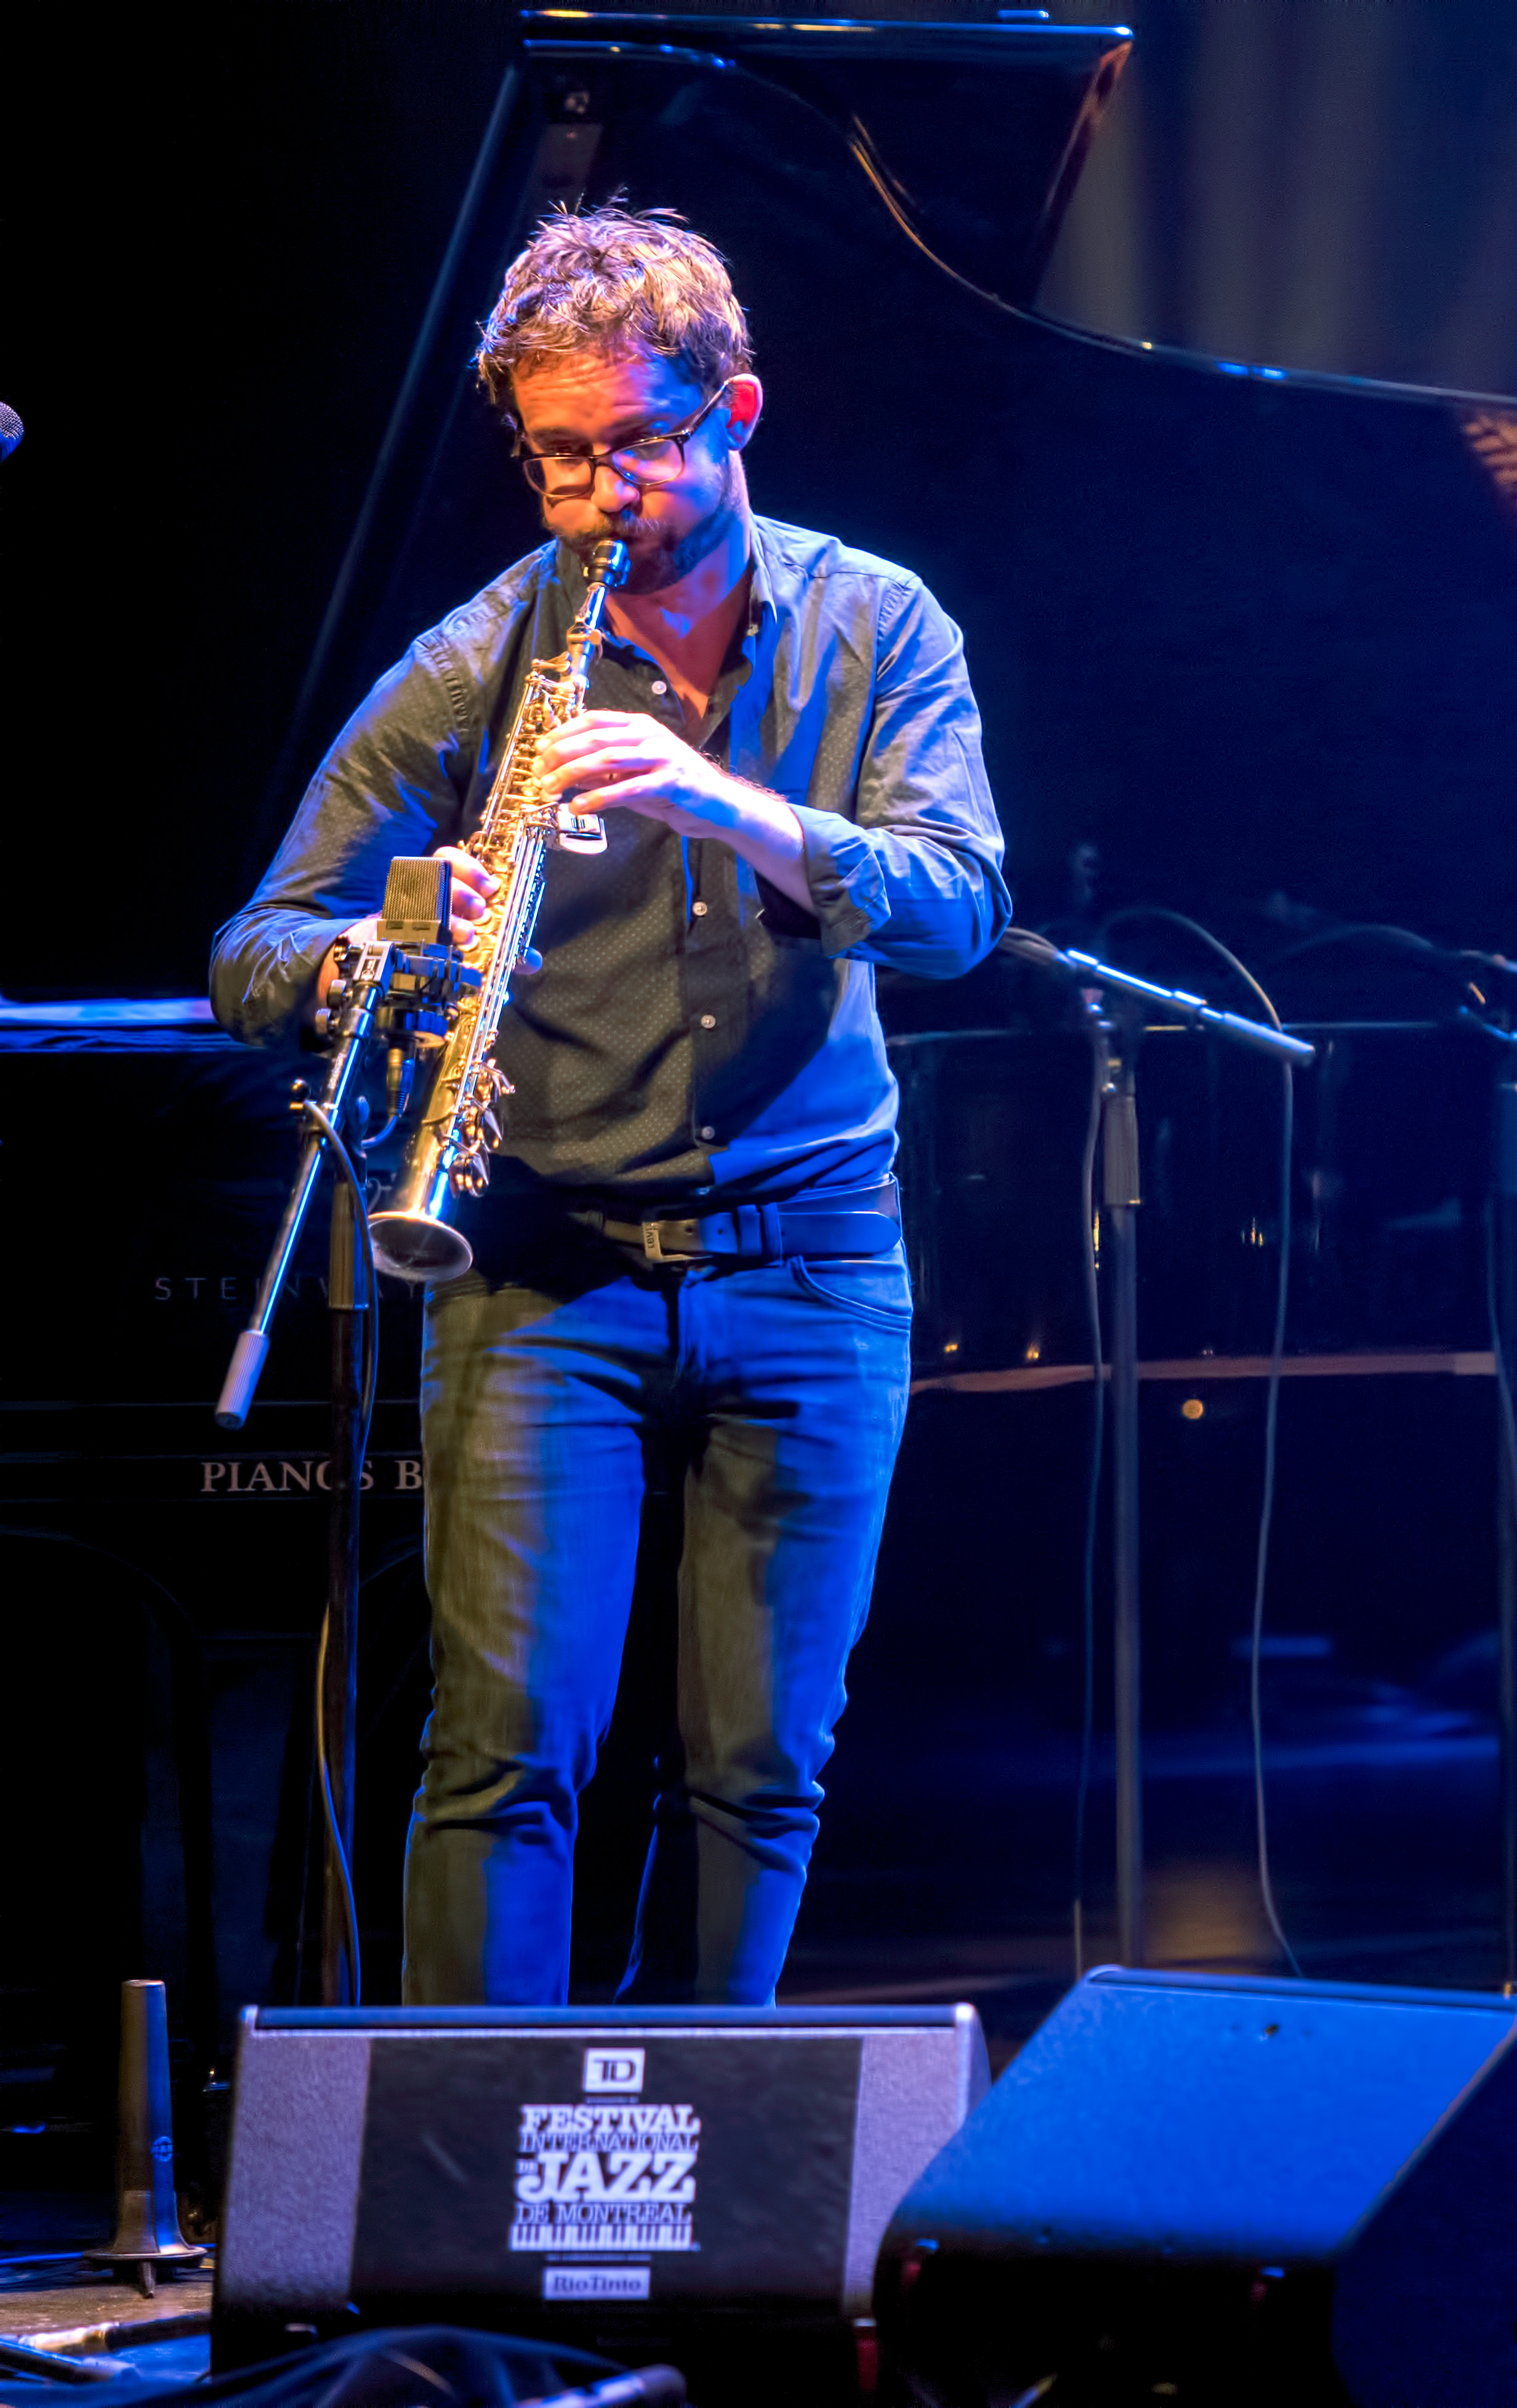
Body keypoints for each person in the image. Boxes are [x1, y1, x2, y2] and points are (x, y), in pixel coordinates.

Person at [212, 206, 1009, 2006]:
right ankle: (469, 2205)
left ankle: (701, 2191)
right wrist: (383, 957)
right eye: (553, 457)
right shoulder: (475, 659)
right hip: (535, 1266)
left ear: (735, 412)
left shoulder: (879, 626)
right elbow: (255, 945)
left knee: (762, 1769)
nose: (590, 499)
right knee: (503, 1760)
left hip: (812, 1264)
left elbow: (962, 908)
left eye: (631, 448)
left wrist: (727, 804)